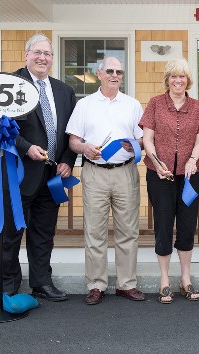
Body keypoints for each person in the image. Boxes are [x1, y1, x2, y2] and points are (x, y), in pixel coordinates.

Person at [0, 33, 77, 301]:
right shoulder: (9, 86)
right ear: (26, 55)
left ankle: (41, 283)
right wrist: (26, 147)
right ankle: (8, 287)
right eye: (37, 52)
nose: (42, 58)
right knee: (9, 233)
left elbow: (72, 134)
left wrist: (67, 162)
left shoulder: (64, 91)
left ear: (52, 58)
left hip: (51, 177)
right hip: (15, 173)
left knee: (43, 233)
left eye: (47, 53)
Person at [66, 57, 145, 305]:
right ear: (99, 73)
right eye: (109, 71)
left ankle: (126, 283)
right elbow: (73, 141)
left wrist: (134, 146)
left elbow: (143, 140)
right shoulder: (84, 105)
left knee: (128, 231)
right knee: (94, 230)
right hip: (95, 172)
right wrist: (84, 148)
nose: (114, 75)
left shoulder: (132, 105)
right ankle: (96, 284)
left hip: (125, 172)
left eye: (119, 72)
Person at [140, 58, 199, 304]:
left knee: (188, 225)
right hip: (161, 174)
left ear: (187, 80)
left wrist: (192, 159)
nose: (178, 81)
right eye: (173, 76)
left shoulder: (198, 108)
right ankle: (165, 280)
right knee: (164, 224)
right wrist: (157, 163)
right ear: (167, 79)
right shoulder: (156, 104)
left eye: (182, 77)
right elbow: (147, 139)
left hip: (191, 174)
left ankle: (185, 280)